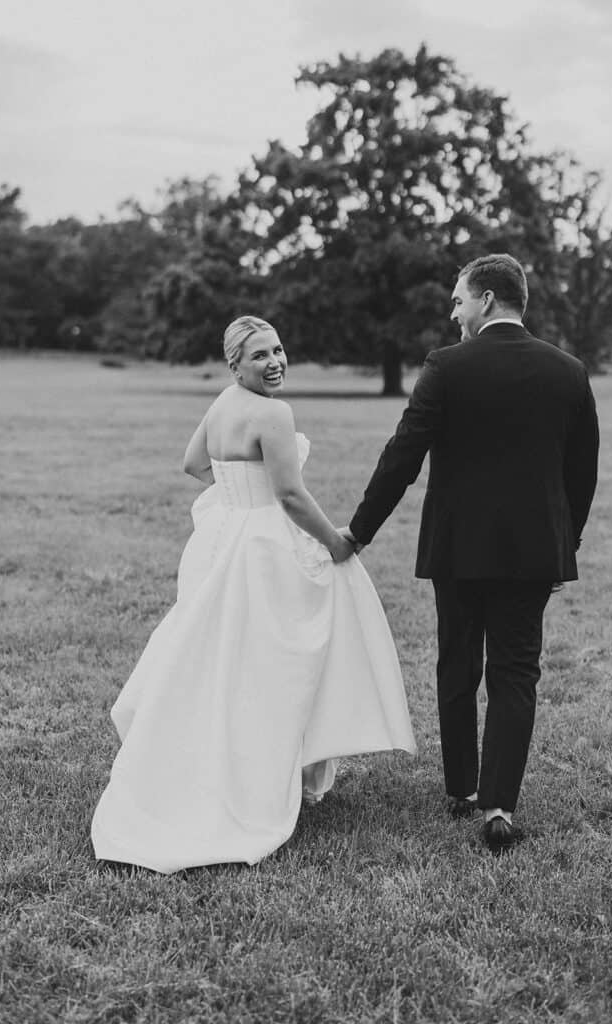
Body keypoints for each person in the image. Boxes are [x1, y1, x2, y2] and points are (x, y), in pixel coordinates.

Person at [91, 315, 415, 873]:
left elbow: (194, 463)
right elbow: (290, 494)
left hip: (225, 543)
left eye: (279, 350)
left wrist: (238, 497)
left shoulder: (222, 404)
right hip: (266, 549)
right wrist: (335, 542)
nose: (275, 362)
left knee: (222, 660)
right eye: (261, 355)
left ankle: (218, 765)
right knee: (275, 664)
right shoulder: (273, 413)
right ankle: (261, 776)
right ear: (235, 364)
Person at [342, 254, 599, 851]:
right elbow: (581, 474)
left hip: (457, 549)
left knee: (458, 662)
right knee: (516, 673)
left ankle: (461, 786)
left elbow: (401, 456)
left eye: (458, 300)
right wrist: (566, 545)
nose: (453, 312)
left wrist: (358, 531)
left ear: (485, 299)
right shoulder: (568, 371)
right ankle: (499, 805)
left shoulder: (446, 367)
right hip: (534, 551)